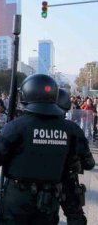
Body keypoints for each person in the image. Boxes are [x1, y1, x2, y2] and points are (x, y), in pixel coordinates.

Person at [0, 74, 95, 224]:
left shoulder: (16, 126)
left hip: (17, 202)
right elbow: (89, 163)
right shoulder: (72, 129)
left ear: (26, 95)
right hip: (49, 201)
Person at [57, 89, 91, 225]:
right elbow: (89, 163)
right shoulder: (72, 129)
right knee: (76, 218)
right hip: (67, 181)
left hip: (36, 185)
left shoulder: (22, 126)